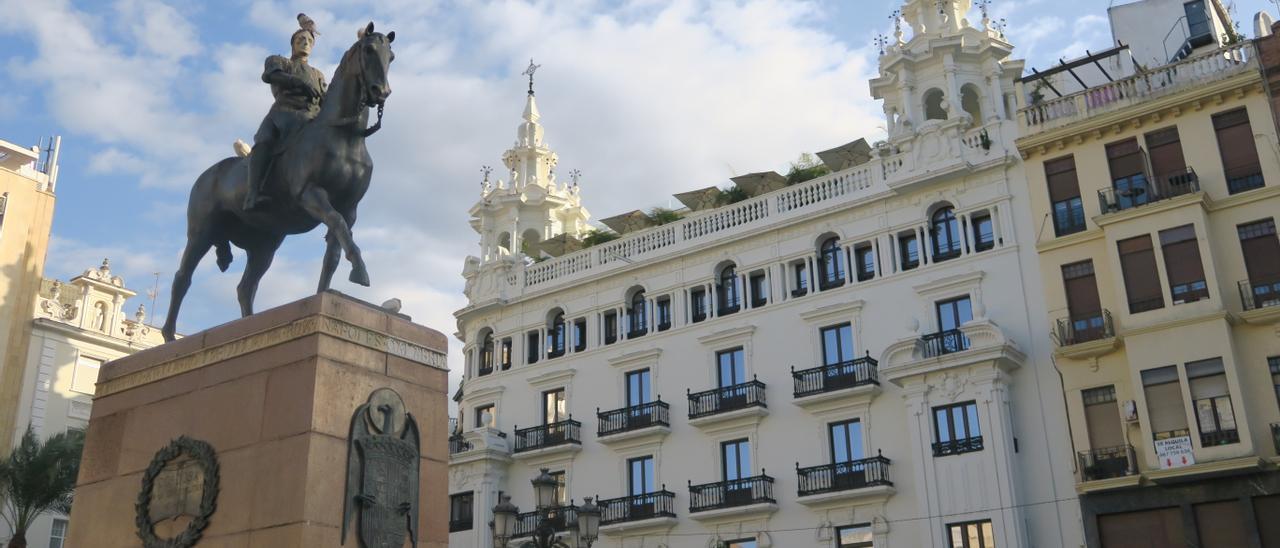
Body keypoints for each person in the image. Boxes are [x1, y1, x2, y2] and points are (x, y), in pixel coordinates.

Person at [244, 14, 327, 211]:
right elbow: (271, 75)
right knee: (264, 141)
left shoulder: (318, 74)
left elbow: (326, 97)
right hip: (283, 113)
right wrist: (297, 82)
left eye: (308, 40)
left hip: (312, 117)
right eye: (300, 40)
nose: (305, 43)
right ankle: (253, 194)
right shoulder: (279, 61)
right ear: (293, 44)